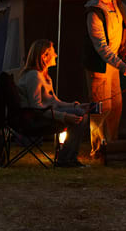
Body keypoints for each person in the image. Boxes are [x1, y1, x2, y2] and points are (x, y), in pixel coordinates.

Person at [83, 0, 126, 160]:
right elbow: (101, 47)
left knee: (116, 105)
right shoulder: (94, 12)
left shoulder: (116, 5)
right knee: (100, 108)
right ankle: (97, 149)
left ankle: (111, 145)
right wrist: (121, 65)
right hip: (99, 66)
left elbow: (120, 31)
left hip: (114, 65)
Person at [17, 39, 89, 167]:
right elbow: (36, 108)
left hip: (44, 115)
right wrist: (64, 117)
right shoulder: (34, 76)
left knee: (80, 112)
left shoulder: (44, 76)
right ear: (44, 56)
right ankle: (65, 159)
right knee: (79, 115)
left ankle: (68, 158)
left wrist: (74, 105)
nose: (56, 55)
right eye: (53, 52)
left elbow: (54, 101)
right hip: (34, 120)